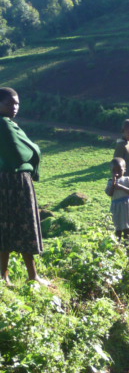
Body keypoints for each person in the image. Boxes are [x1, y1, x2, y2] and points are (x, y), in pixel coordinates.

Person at [0, 87, 48, 286]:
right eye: (10, 103)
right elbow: (23, 153)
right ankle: (32, 275)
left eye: (17, 103)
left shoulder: (8, 124)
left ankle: (4, 275)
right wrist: (34, 150)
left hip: (7, 181)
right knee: (26, 225)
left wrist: (31, 150)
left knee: (5, 228)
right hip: (14, 182)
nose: (15, 107)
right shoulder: (4, 125)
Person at [105, 158, 129, 240]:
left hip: (127, 207)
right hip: (116, 207)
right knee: (117, 228)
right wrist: (113, 184)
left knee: (128, 228)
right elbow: (109, 193)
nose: (116, 173)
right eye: (114, 171)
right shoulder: (110, 182)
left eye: (119, 170)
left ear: (124, 169)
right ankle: (117, 245)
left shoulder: (128, 180)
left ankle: (128, 246)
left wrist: (122, 187)